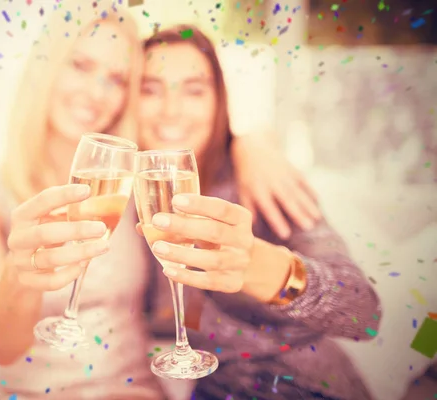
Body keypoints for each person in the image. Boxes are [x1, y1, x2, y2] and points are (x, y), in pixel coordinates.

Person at [0, 1, 323, 399]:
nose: (95, 93)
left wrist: (251, 142)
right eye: (80, 65)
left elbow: (191, 136)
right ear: (45, 65)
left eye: (117, 79)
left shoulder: (131, 181)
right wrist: (18, 274)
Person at [137, 25, 383, 400]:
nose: (172, 110)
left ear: (219, 100)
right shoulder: (132, 190)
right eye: (151, 89)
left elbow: (362, 314)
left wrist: (259, 268)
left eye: (194, 90)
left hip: (304, 387)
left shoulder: (259, 181)